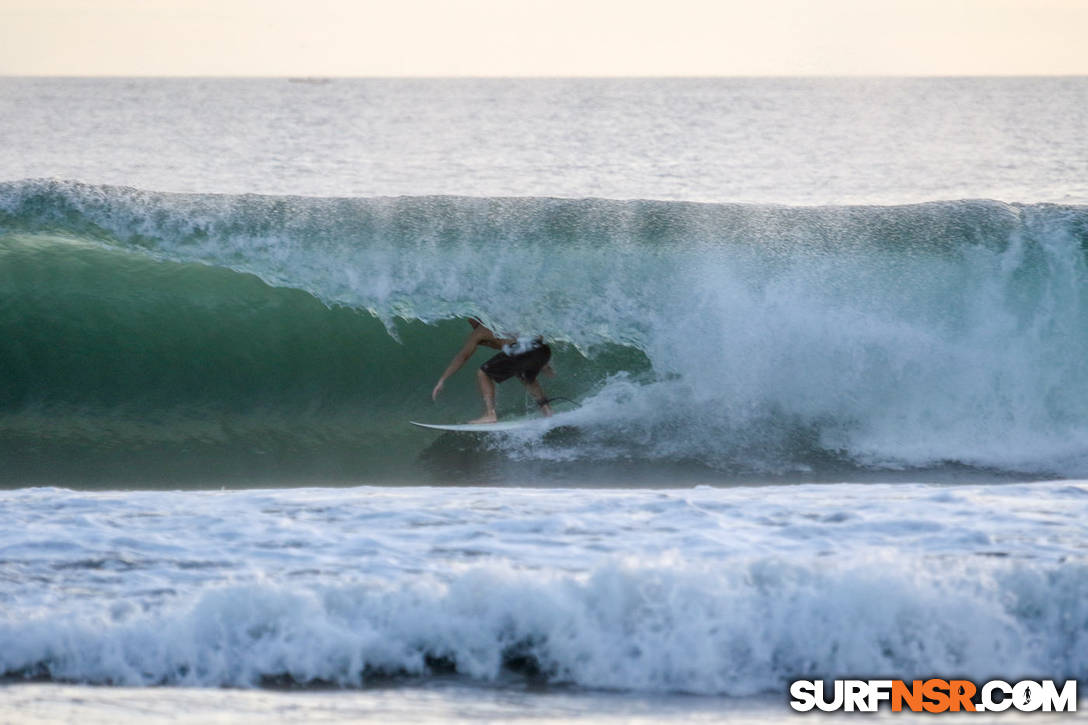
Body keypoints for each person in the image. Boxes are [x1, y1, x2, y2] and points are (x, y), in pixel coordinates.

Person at [431, 318, 553, 423]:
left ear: (479, 318)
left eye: (472, 318)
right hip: (541, 350)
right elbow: (528, 342)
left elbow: (462, 356)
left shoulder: (481, 330)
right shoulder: (502, 324)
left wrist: (442, 379)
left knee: (483, 372)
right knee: (525, 376)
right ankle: (547, 410)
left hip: (523, 352)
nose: (470, 322)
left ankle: (490, 414)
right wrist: (543, 364)